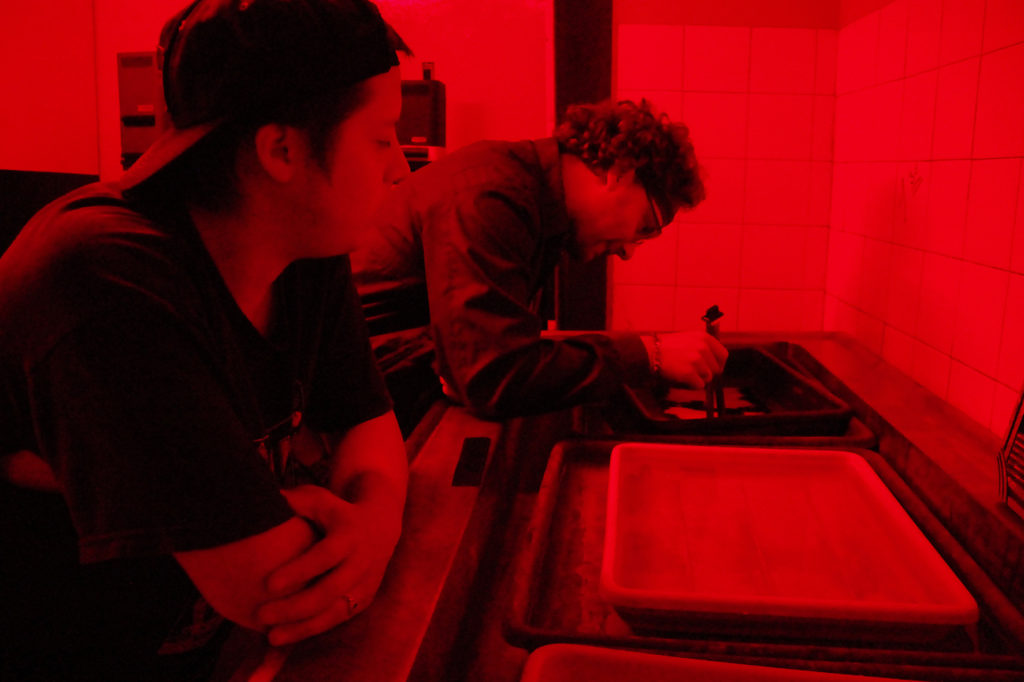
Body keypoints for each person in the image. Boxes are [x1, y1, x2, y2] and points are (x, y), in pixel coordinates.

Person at [0, 0, 411, 679]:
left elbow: (368, 424)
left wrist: (376, 520)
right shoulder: (104, 276)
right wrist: (340, 513)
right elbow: (267, 587)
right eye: (383, 138)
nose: (400, 169)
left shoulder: (304, 248)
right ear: (282, 150)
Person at [352, 99, 728, 425]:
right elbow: (493, 378)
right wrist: (649, 355)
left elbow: (490, 359)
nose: (628, 252)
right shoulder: (492, 196)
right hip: (352, 409)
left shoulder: (535, 206)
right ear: (620, 173)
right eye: (643, 227)